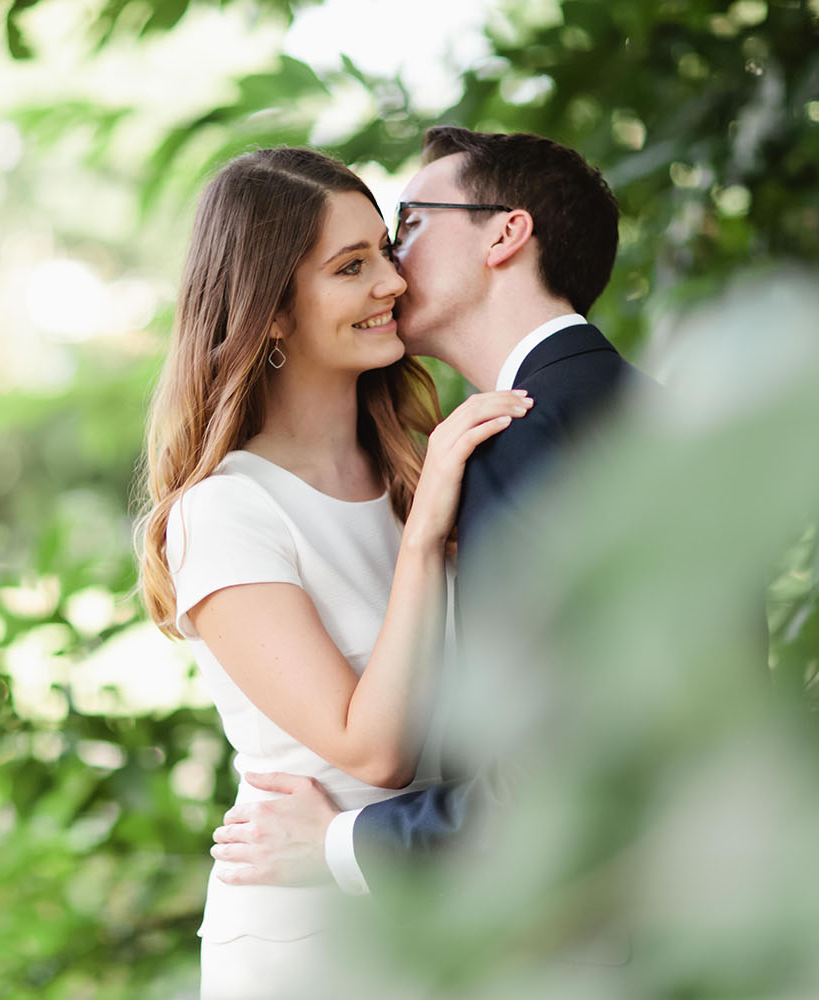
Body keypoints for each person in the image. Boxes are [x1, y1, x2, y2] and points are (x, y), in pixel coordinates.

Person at [207, 127, 651, 901]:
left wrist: (344, 842)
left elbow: (573, 765)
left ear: (507, 234)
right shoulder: (627, 408)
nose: (393, 274)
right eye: (359, 261)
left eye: (405, 229)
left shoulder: (525, 441)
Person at [136, 147, 533, 997]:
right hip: (307, 941)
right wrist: (426, 537)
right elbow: (374, 750)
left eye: (385, 251)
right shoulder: (225, 514)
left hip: (440, 921)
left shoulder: (414, 469)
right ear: (270, 313)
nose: (391, 282)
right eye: (350, 267)